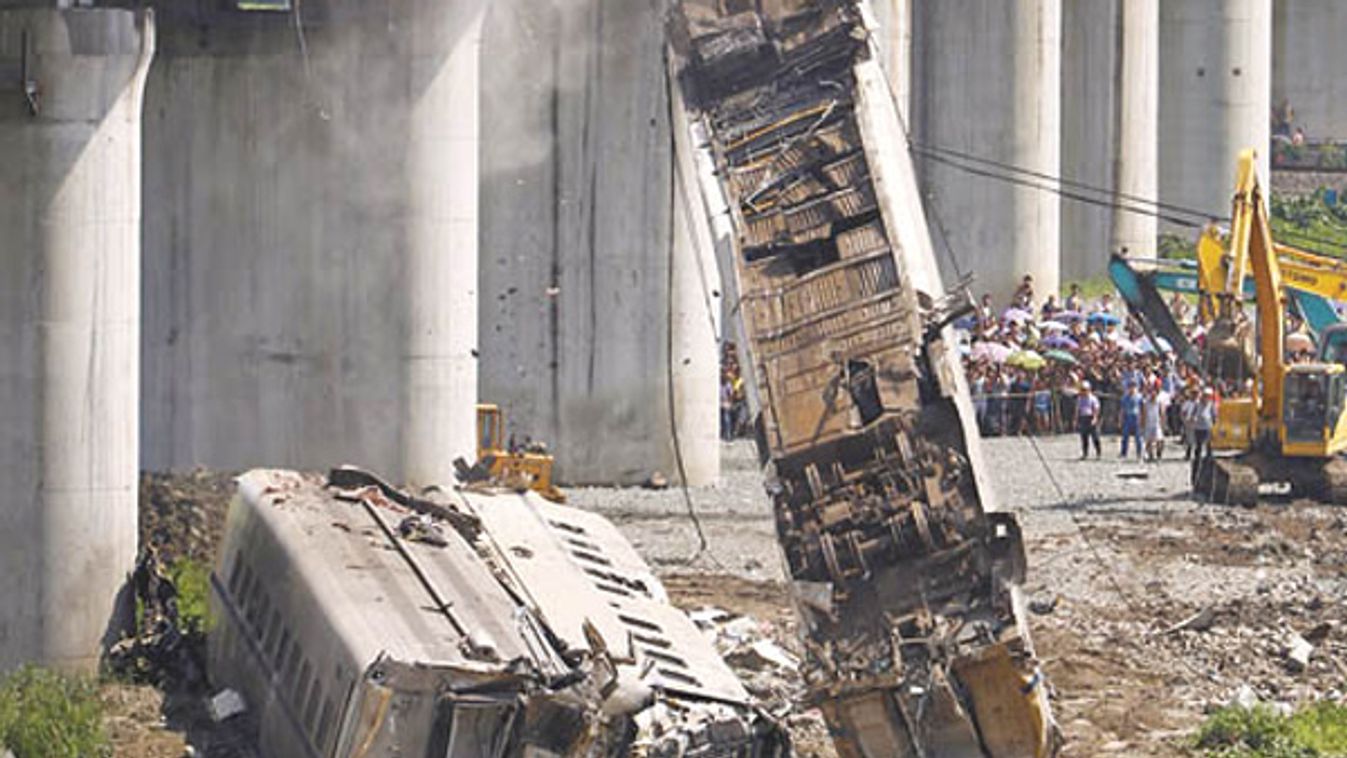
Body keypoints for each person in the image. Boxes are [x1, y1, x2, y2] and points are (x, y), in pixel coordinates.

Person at [1189, 387, 1217, 484]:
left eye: (1208, 396)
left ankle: (1209, 474)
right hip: (1199, 429)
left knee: (1209, 451)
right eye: (1205, 396)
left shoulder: (1212, 405)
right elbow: (1192, 415)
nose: (1206, 398)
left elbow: (1214, 417)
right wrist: (1193, 420)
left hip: (1208, 429)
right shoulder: (1197, 404)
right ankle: (1195, 476)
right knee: (1198, 451)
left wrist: (1214, 427)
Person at [1075, 381, 1102, 459]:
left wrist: (1095, 418)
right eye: (1082, 389)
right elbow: (1078, 409)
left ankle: (1098, 453)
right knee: (1084, 437)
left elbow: (1096, 409)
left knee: (1095, 437)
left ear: (1089, 389)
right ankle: (1085, 453)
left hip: (1091, 417)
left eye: (1085, 389)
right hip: (1083, 418)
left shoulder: (1093, 398)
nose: (1083, 391)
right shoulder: (1080, 399)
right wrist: (1076, 419)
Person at [1118, 384, 1143, 459]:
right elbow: (1122, 410)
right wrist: (1120, 420)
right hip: (1127, 417)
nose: (1132, 389)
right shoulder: (1124, 398)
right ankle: (1123, 453)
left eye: (1133, 386)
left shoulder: (1139, 397)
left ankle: (1139, 453)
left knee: (1138, 437)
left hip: (1136, 417)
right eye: (1130, 387)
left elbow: (1142, 409)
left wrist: (1142, 420)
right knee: (1125, 436)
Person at [1143, 384, 1166, 461]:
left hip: (1157, 423)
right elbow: (1144, 412)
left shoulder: (1159, 402)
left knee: (1159, 440)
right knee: (1148, 440)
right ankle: (1150, 455)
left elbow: (1162, 412)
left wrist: (1162, 422)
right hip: (1148, 423)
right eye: (1151, 392)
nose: (1153, 394)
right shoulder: (1146, 402)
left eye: (1154, 392)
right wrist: (1142, 422)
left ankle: (1159, 453)